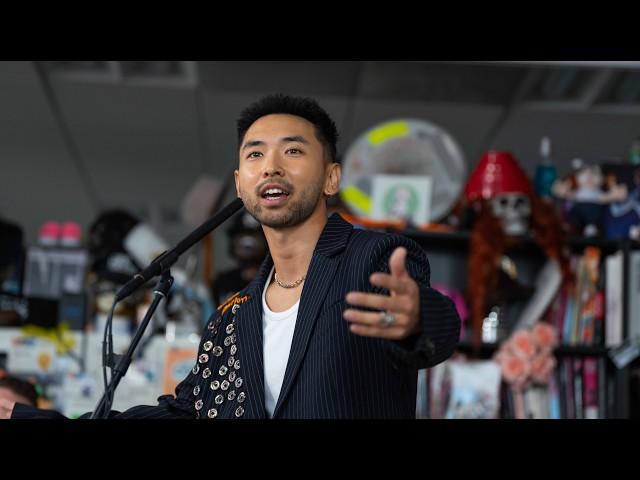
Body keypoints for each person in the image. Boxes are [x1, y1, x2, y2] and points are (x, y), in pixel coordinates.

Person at [1, 94, 460, 419]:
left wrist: (418, 319)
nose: (272, 166)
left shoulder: (373, 258)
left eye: (294, 151)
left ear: (331, 178)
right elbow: (186, 413)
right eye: (255, 154)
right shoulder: (232, 315)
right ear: (241, 185)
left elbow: (439, 328)